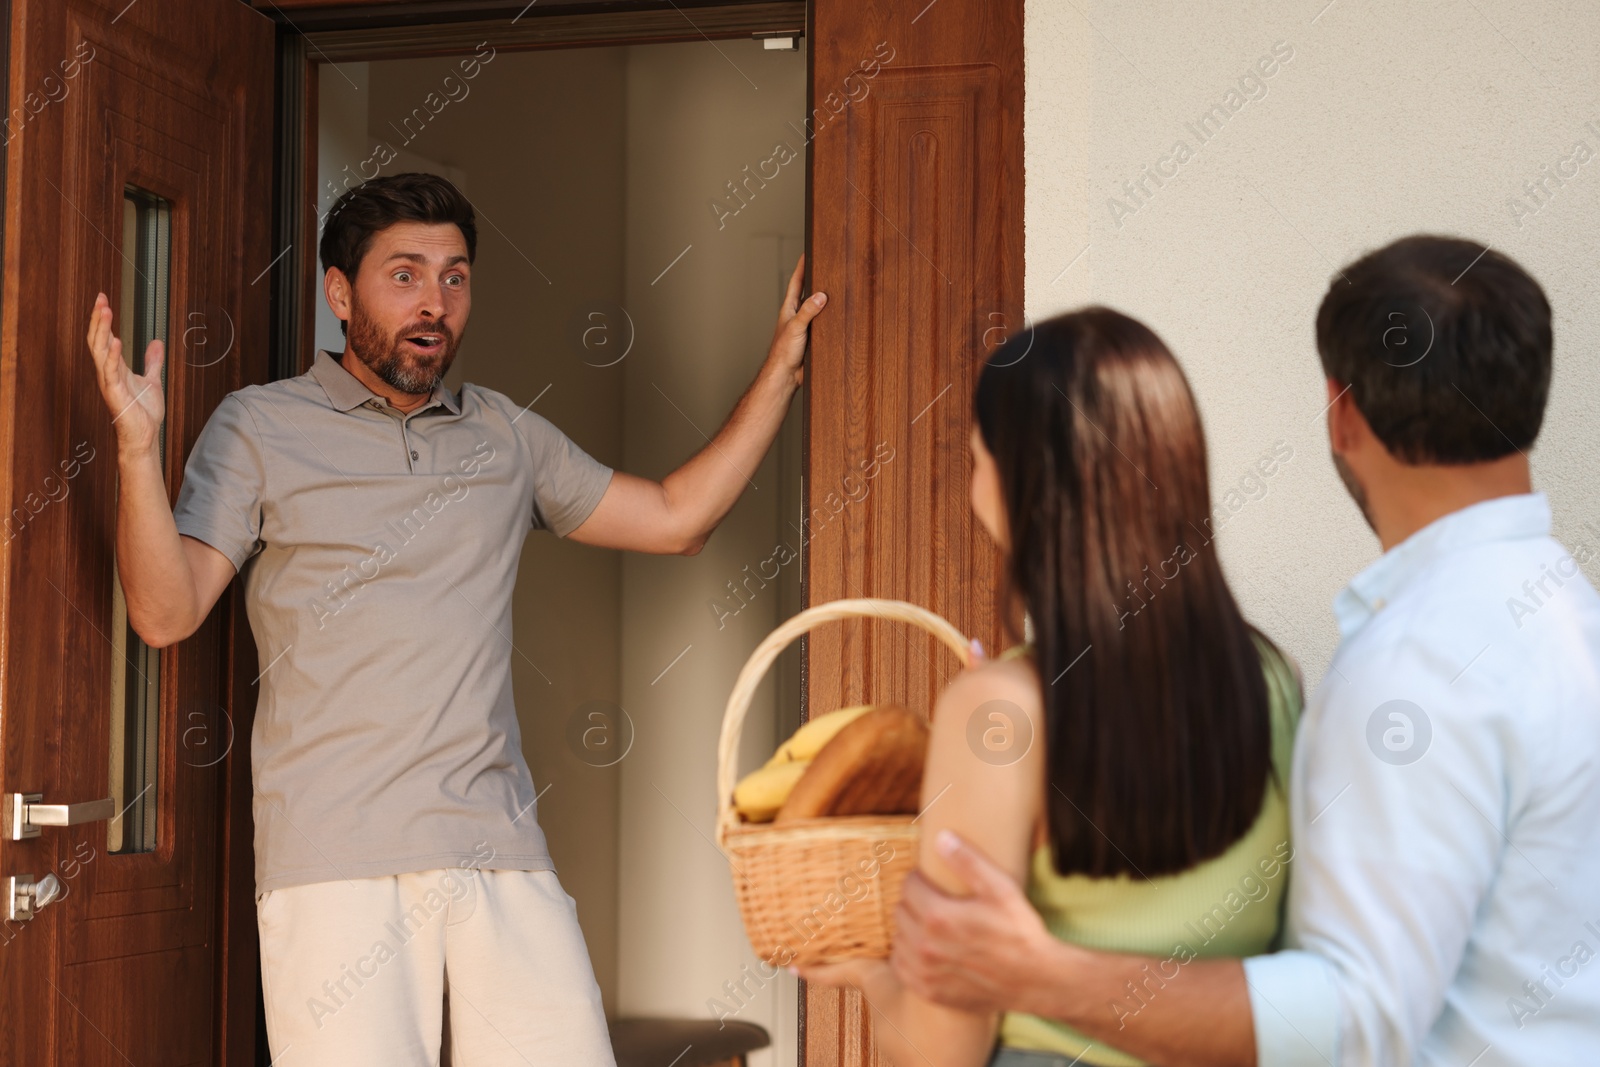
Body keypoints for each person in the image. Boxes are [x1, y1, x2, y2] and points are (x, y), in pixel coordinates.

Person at [85, 171, 826, 1065]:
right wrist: (135, 447)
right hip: (333, 860)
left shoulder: (505, 436)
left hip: (498, 845)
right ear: (338, 291)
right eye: (404, 274)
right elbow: (165, 613)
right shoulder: (259, 428)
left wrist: (781, 370)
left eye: (455, 275)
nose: (434, 302)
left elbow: (675, 517)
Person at [876, 236, 1600, 1066]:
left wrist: (1027, 974)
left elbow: (1354, 1012)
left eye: (975, 461)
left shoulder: (1412, 662)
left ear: (1341, 412)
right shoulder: (1556, 626)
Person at [795, 307, 1305, 1067]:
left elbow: (942, 1058)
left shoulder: (1000, 710)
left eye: (977, 461)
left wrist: (871, 972)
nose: (974, 490)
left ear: (1025, 486)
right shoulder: (1273, 678)